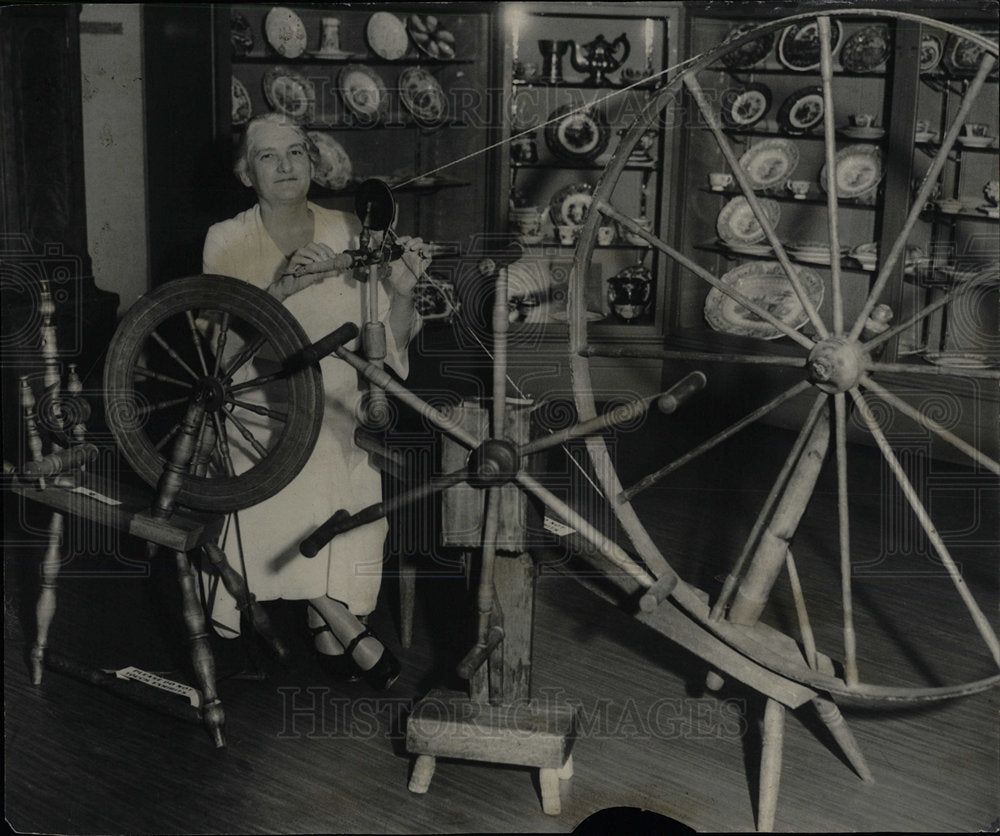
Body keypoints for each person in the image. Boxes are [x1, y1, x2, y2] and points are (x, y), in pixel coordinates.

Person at [200, 113, 428, 689]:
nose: (284, 166)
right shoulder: (226, 238)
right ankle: (338, 618)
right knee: (307, 452)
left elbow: (390, 341)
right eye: (268, 157)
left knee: (338, 439)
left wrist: (402, 294)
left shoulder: (353, 230)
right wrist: (278, 292)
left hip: (341, 396)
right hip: (255, 402)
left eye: (296, 153)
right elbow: (220, 348)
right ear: (246, 173)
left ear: (313, 162)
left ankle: (325, 613)